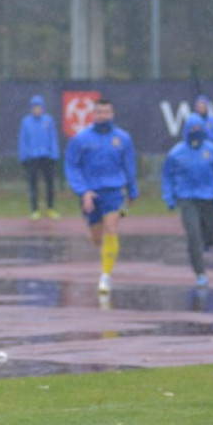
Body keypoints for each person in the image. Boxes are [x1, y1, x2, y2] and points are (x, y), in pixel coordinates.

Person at [64, 97, 139, 295]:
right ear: (93, 114)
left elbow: (129, 165)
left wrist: (132, 189)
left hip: (114, 192)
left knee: (111, 229)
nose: (103, 116)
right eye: (99, 112)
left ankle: (105, 276)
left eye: (106, 112)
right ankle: (106, 255)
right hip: (90, 194)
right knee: (97, 237)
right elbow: (72, 167)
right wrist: (83, 191)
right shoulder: (80, 139)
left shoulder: (122, 138)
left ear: (112, 114)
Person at [162, 114, 213, 287]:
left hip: (209, 198)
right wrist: (169, 197)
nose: (196, 132)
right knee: (193, 234)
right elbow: (167, 177)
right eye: (192, 129)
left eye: (199, 129)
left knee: (210, 234)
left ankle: (204, 246)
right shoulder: (176, 153)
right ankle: (200, 271)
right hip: (187, 199)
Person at [17, 95, 61, 220]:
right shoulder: (26, 122)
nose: (37, 110)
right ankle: (34, 210)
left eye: (39, 107)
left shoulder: (48, 120)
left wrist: (54, 154)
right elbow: (23, 140)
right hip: (32, 157)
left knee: (50, 183)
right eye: (34, 107)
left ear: (43, 108)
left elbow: (52, 137)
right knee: (33, 184)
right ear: (31, 109)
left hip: (47, 156)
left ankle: (50, 208)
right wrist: (23, 156)